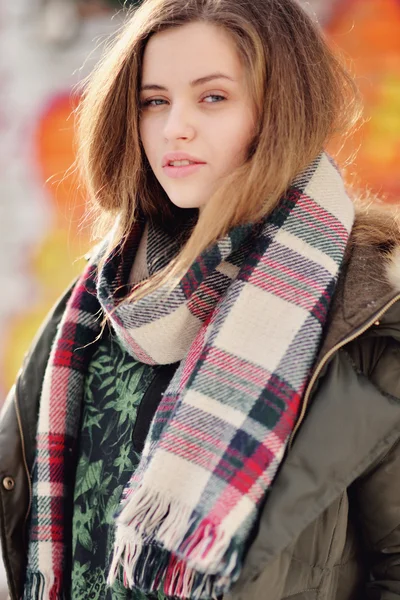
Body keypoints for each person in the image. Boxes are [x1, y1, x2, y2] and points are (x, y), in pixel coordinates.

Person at [1, 0, 400, 599]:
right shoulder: (95, 300)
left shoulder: (363, 312)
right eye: (154, 100)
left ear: (278, 113)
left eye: (212, 97)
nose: (173, 127)